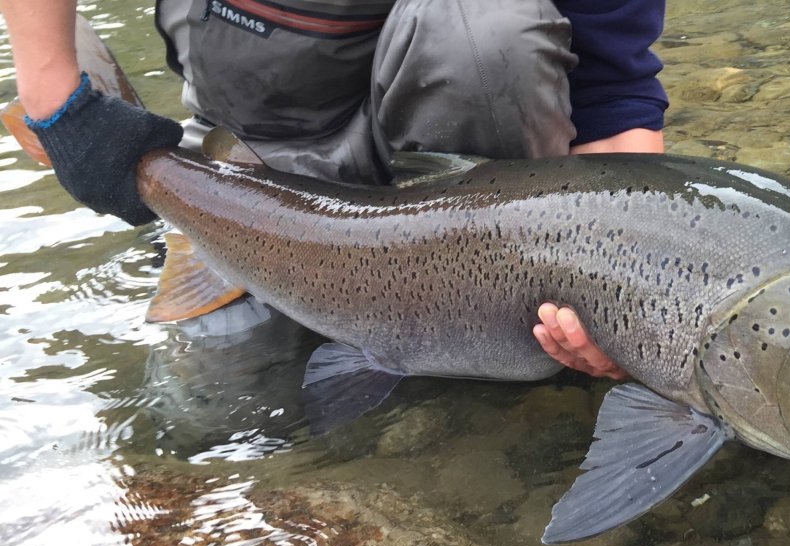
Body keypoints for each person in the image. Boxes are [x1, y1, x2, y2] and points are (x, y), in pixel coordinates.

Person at [1, 0, 670, 380]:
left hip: (472, 187)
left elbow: (612, 101)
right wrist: (58, 96)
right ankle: (202, 219)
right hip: (260, 137)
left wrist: (628, 318)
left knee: (492, 28)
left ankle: (447, 296)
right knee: (214, 417)